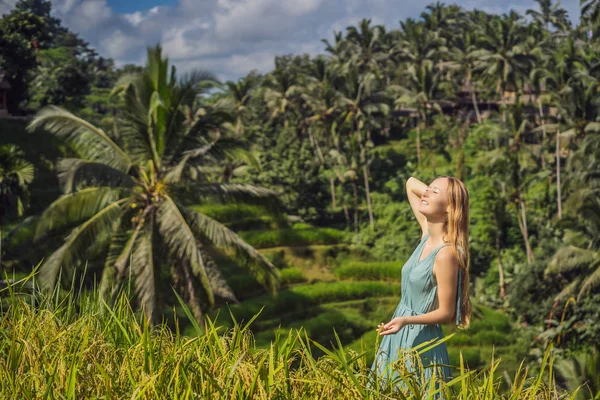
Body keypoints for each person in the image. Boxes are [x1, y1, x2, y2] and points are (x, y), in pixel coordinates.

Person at [369, 175, 472, 397]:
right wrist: (437, 197)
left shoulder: (446, 254)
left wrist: (406, 320)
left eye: (434, 192)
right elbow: (410, 183)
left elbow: (446, 312)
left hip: (421, 340)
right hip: (399, 331)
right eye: (429, 188)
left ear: (449, 209)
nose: (425, 193)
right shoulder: (427, 233)